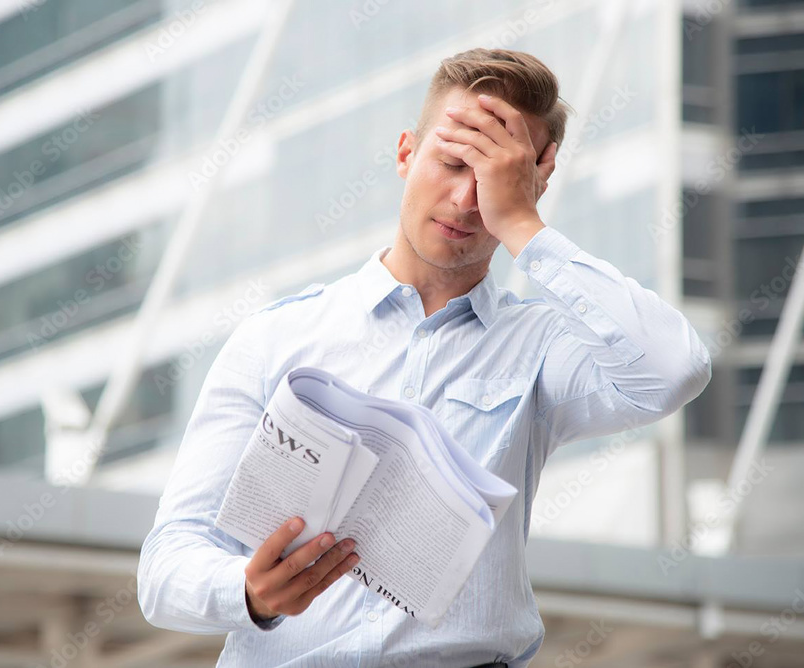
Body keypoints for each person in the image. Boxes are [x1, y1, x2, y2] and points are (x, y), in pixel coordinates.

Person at [137, 48, 712, 668]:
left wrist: (523, 224)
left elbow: (673, 369)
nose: (467, 200)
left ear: (532, 184)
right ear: (407, 153)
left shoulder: (543, 346)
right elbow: (166, 567)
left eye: (493, 178)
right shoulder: (275, 338)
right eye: (453, 162)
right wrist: (249, 593)